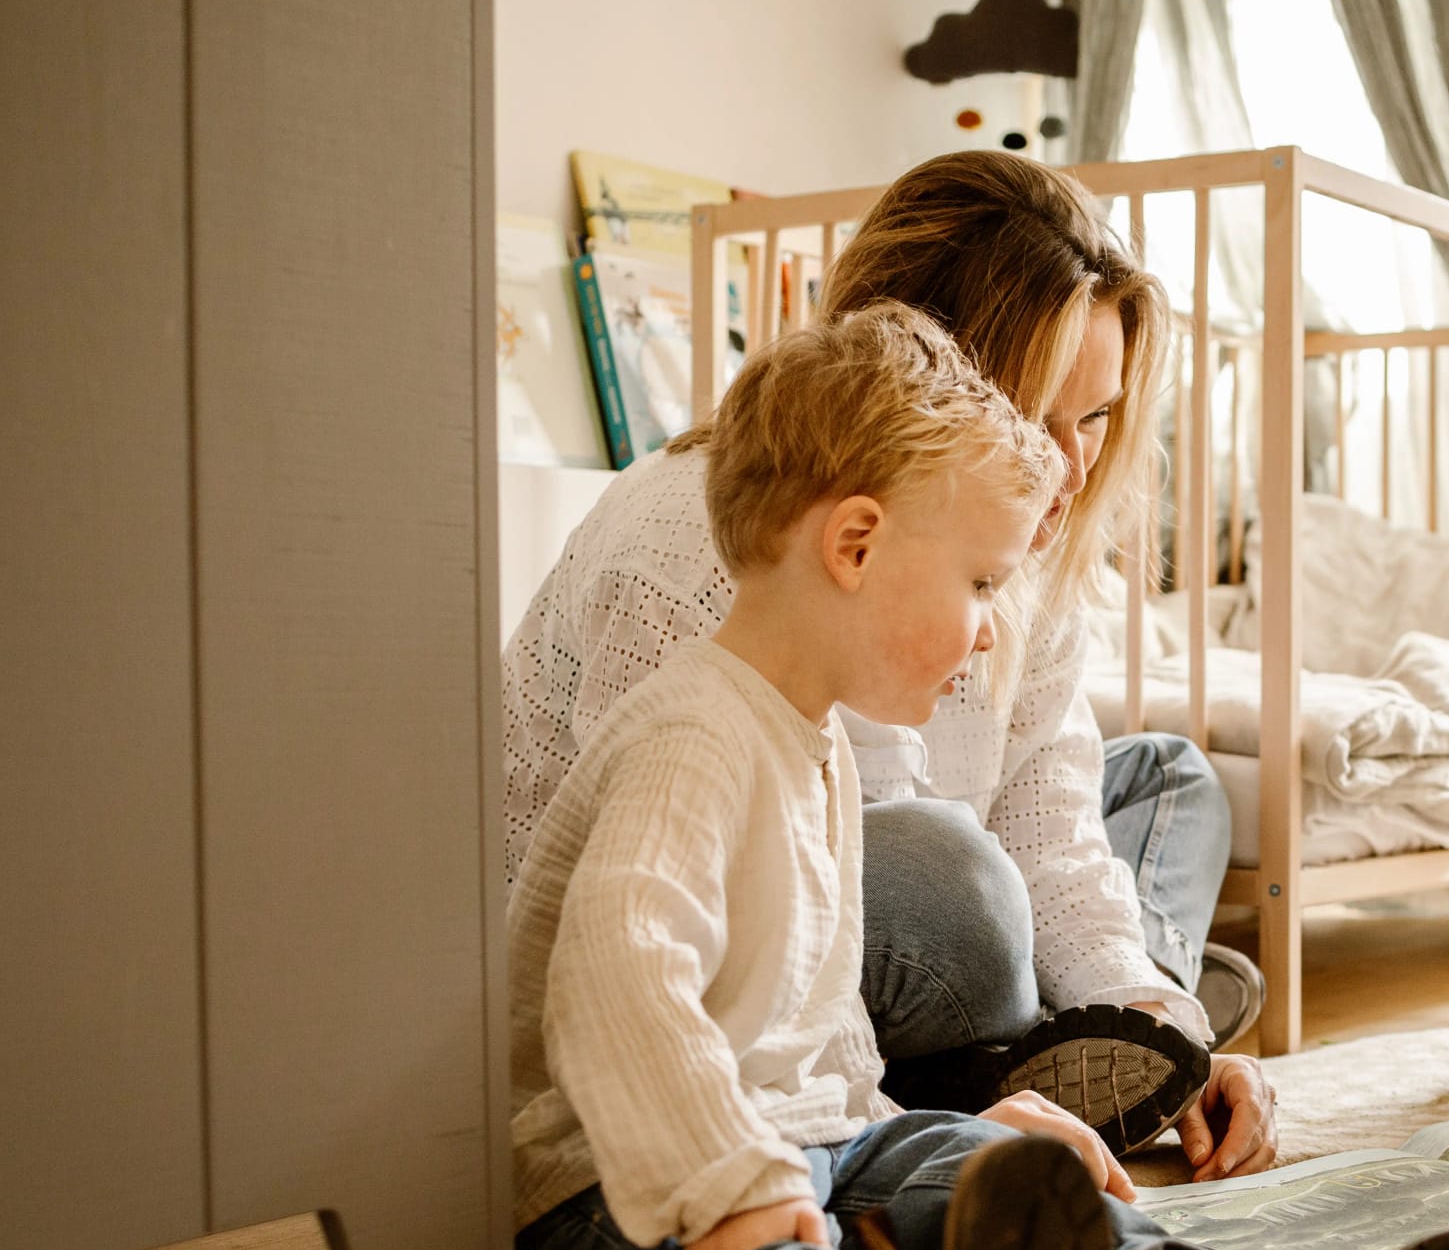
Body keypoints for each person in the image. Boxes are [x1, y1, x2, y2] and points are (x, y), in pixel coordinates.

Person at [510, 306, 1449, 1250]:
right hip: (616, 1177)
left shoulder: (814, 740)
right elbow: (615, 982)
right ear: (854, 544)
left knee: (994, 1166)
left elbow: (814, 1021)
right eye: (981, 580)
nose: (995, 621)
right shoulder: (691, 737)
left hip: (809, 1138)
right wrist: (728, 1183)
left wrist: (931, 1121)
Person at [503, 151, 1272, 1171]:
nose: (1074, 467)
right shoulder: (704, 543)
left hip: (889, 899)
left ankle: (1106, 1032)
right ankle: (996, 1066)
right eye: (1036, 415)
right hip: (697, 935)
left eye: (1094, 419)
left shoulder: (1013, 534)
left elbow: (1046, 802)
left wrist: (1150, 1012)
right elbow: (661, 907)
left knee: (1175, 782)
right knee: (968, 889)